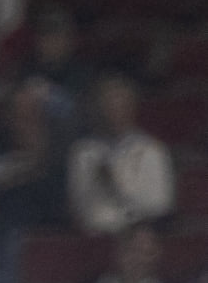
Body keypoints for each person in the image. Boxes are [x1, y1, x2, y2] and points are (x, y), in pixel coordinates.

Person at [68, 75, 175, 236]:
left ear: (131, 107)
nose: (114, 112)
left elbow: (160, 204)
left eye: (121, 105)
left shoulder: (152, 151)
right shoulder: (83, 152)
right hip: (96, 239)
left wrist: (116, 184)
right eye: (108, 105)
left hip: (137, 239)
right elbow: (79, 206)